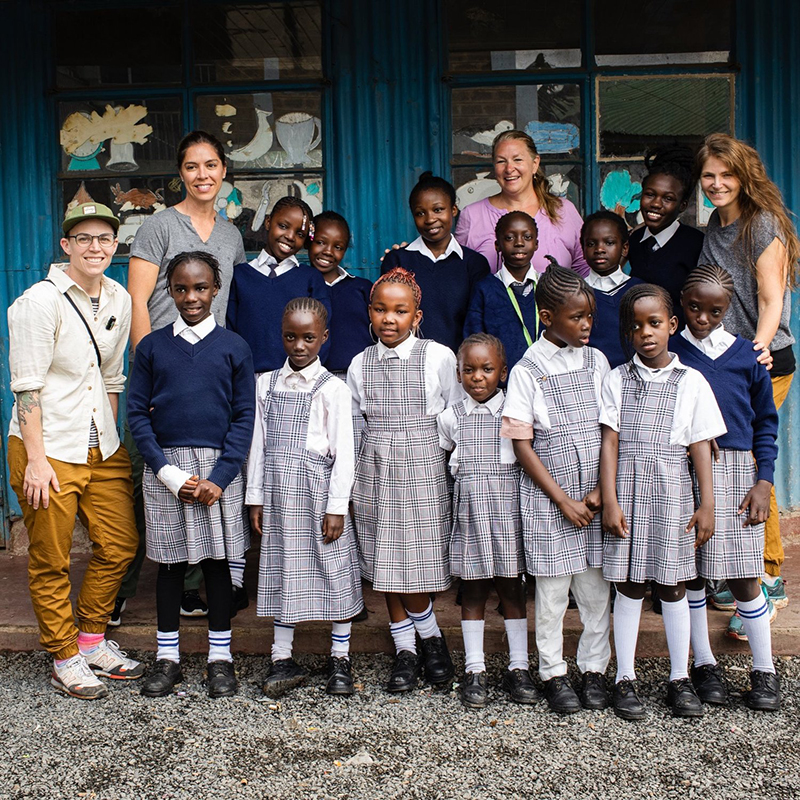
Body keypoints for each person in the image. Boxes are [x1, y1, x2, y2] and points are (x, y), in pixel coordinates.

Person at [7, 202, 142, 699]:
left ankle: (90, 640)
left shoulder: (119, 298)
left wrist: (107, 438)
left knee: (120, 546)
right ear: (66, 245)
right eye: (83, 238)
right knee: (52, 558)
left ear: (114, 245)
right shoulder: (37, 303)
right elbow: (26, 388)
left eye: (104, 238)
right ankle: (64, 656)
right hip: (47, 447)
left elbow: (110, 378)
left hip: (99, 446)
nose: (95, 247)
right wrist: (37, 462)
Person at [122, 130, 249, 623]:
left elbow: (232, 302)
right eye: (193, 167)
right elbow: (138, 300)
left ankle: (196, 592)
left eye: (211, 165)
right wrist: (145, 373)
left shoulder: (231, 235)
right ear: (181, 173)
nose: (203, 175)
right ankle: (122, 588)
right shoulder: (158, 225)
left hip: (209, 369)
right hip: (161, 367)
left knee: (203, 470)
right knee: (145, 481)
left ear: (223, 171)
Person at [127, 251, 255, 698]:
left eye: (200, 288)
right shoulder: (152, 348)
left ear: (215, 289)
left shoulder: (234, 347)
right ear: (169, 290)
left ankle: (221, 659)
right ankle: (168, 659)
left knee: (219, 565)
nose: (191, 297)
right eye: (181, 288)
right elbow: (137, 415)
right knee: (170, 566)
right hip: (168, 471)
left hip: (217, 474)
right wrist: (164, 471)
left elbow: (244, 417)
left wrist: (220, 477)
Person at [599, 284, 726, 720]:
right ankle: (625, 678)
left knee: (673, 585)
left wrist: (706, 503)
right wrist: (610, 500)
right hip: (629, 490)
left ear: (672, 325)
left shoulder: (691, 381)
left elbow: (700, 446)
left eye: (654, 323)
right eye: (636, 326)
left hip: (672, 489)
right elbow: (610, 443)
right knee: (630, 584)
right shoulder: (616, 378)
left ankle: (678, 676)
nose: (646, 333)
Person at [669, 265, 781, 710]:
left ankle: (765, 671)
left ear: (728, 309)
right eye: (694, 307)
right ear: (681, 302)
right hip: (680, 469)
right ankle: (706, 664)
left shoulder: (747, 356)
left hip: (736, 473)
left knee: (742, 577)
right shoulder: (669, 351)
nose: (702, 317)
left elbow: (766, 426)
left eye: (714, 310)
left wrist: (764, 482)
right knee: (691, 574)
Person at [697, 133, 799, 619]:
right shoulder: (714, 225)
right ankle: (740, 566)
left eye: (726, 175)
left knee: (757, 456)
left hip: (763, 360)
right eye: (709, 176)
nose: (717, 184)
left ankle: (769, 575)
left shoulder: (763, 225)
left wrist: (756, 349)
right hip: (729, 363)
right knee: (730, 459)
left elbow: (771, 297)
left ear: (744, 176)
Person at [503, 265, 612, 715]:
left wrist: (601, 491)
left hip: (595, 496)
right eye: (576, 317)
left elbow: (609, 429)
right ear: (547, 317)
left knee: (595, 591)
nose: (586, 325)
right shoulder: (528, 370)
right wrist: (563, 500)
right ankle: (553, 671)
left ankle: (593, 669)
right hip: (552, 500)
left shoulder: (598, 361)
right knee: (551, 593)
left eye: (589, 315)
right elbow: (522, 443)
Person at [347, 268, 460, 693]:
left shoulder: (438, 357)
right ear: (370, 313)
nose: (389, 319)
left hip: (423, 468)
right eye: (380, 310)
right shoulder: (360, 364)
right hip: (375, 468)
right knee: (384, 564)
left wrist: (447, 462)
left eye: (400, 311)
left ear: (417, 316)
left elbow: (455, 413)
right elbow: (357, 423)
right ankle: (410, 649)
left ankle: (428, 638)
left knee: (413, 566)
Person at [248, 298, 363, 698]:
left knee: (333, 569)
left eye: (309, 337)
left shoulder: (333, 388)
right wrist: (256, 496)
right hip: (280, 493)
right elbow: (258, 445)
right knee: (284, 568)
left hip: (317, 491)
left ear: (324, 338)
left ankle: (340, 657)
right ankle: (282, 656)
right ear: (281, 336)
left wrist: (337, 506)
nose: (299, 345)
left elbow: (344, 452)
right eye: (291, 337)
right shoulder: (266, 384)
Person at [437, 334, 531, 709]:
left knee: (511, 588)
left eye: (487, 369)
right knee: (473, 591)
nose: (478, 377)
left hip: (508, 514)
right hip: (471, 514)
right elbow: (446, 463)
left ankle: (518, 666)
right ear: (458, 374)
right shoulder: (450, 417)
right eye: (469, 370)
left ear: (503, 373)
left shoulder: (516, 411)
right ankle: (475, 668)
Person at [455, 130, 588, 277]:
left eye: (517, 160)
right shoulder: (472, 215)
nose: (509, 169)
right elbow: (459, 275)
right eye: (501, 161)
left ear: (535, 163)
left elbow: (585, 269)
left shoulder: (563, 210)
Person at [382, 172, 490, 352]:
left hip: (459, 364)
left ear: (453, 210)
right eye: (420, 213)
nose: (430, 219)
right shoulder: (398, 260)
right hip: (409, 363)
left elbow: (477, 321)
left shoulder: (474, 264)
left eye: (438, 209)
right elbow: (390, 317)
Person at [226, 196, 332, 373]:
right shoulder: (240, 275)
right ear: (268, 222)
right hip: (248, 379)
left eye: (300, 234)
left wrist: (307, 373)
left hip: (296, 379)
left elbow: (324, 331)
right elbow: (230, 331)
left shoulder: (310, 278)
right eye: (283, 226)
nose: (290, 236)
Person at [627, 146, 704, 325]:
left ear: (683, 205)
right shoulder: (634, 241)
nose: (656, 204)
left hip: (679, 344)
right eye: (650, 194)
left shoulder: (695, 244)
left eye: (668, 198)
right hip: (638, 342)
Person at [463, 211, 541, 371]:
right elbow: (474, 339)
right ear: (497, 245)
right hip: (503, 385)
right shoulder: (484, 289)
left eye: (527, 237)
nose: (519, 243)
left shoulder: (548, 285)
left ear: (536, 244)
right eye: (509, 238)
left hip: (548, 381)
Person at [309, 211, 372, 377]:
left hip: (357, 379)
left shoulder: (363, 288)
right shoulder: (297, 285)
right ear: (309, 241)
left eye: (338, 247)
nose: (328, 251)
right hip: (310, 379)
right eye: (321, 242)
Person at [582, 211, 644, 368]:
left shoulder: (641, 292)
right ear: (582, 248)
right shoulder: (574, 292)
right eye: (591, 244)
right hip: (590, 380)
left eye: (609, 243)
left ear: (624, 248)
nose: (599, 249)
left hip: (634, 379)